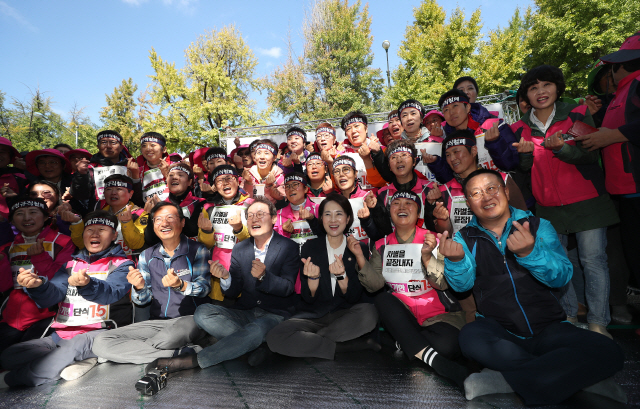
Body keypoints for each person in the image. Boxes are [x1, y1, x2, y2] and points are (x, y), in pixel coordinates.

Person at [441, 168, 625, 405]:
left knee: (610, 350)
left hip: (549, 328)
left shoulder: (538, 226)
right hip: (499, 332)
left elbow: (561, 276)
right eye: (475, 193)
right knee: (469, 338)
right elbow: (461, 286)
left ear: (505, 191)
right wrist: (455, 262)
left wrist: (530, 253)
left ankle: (506, 381)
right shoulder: (463, 238)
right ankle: (578, 378)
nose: (486, 197)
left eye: (491, 189)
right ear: (468, 203)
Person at [511, 65, 619, 337]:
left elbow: (589, 154)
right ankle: (568, 316)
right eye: (533, 88)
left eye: (546, 85)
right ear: (527, 95)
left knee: (593, 261)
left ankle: (598, 323)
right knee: (558, 263)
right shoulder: (520, 127)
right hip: (548, 208)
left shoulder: (578, 112)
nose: (540, 92)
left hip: (588, 202)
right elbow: (525, 169)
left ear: (558, 87)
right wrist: (524, 156)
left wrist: (562, 149)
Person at [0, 211, 133, 387]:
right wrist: (37, 286)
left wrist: (87, 284)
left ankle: (16, 379)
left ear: (114, 235)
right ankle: (69, 362)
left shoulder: (123, 265)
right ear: (83, 235)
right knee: (11, 354)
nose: (94, 234)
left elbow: (110, 293)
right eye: (89, 229)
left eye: (102, 229)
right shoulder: (71, 264)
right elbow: (52, 296)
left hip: (100, 333)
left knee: (75, 346)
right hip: (62, 335)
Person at [167, 197, 300, 371]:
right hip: (245, 312)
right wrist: (224, 277)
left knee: (257, 329)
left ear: (274, 219)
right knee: (203, 313)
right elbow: (233, 291)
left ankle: (195, 361)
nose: (255, 219)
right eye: (250, 215)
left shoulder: (288, 246)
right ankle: (257, 346)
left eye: (260, 214)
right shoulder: (241, 248)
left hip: (275, 315)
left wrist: (264, 277)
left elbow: (288, 287)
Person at [356, 191, 468, 388]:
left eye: (409, 204)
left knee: (448, 346)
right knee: (382, 300)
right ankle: (435, 361)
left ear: (419, 213)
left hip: (440, 315)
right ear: (389, 211)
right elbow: (374, 286)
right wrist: (359, 257)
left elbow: (442, 284)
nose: (401, 207)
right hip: (405, 315)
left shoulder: (434, 239)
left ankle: (404, 343)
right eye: (396, 203)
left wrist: (427, 257)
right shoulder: (382, 245)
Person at [92, 202, 212, 365]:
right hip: (157, 323)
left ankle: (128, 352)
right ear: (154, 225)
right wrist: (139, 287)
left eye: (171, 218)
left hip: (190, 320)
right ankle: (183, 354)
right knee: (100, 342)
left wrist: (181, 285)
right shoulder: (146, 255)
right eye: (158, 219)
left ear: (182, 223)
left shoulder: (197, 250)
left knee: (168, 338)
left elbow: (204, 288)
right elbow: (143, 300)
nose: (164, 223)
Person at [266, 193, 379, 359]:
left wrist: (342, 277)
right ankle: (343, 347)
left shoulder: (357, 248)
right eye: (327, 214)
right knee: (275, 335)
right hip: (315, 316)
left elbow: (354, 297)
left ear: (348, 219)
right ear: (321, 219)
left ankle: (310, 342)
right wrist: (312, 280)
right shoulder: (309, 248)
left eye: (339, 214)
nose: (333, 220)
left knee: (369, 313)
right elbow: (308, 298)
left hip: (344, 315)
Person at [575, 31, 640, 294]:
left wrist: (612, 136)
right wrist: (596, 115)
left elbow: (617, 132)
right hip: (624, 192)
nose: (609, 73)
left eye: (612, 67)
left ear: (622, 65)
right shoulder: (621, 95)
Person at [0, 197, 75, 354]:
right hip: (12, 317)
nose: (27, 218)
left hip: (49, 315)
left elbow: (62, 279)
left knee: (23, 357)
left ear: (46, 217)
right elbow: (5, 286)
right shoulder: (8, 247)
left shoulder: (63, 241)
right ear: (12, 220)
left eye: (33, 212)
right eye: (19, 213)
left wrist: (40, 257)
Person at [431, 89, 519, 178]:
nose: (451, 112)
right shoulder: (446, 139)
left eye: (455, 106)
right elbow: (448, 178)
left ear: (467, 107)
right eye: (446, 109)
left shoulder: (495, 125)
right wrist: (435, 163)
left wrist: (495, 142)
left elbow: (512, 163)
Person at [64, 174, 146, 259]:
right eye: (109, 189)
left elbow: (136, 244)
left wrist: (127, 223)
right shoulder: (98, 212)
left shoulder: (139, 214)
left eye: (119, 189)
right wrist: (76, 222)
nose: (113, 193)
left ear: (131, 194)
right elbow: (83, 244)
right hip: (101, 265)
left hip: (129, 264)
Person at [69, 130, 140, 213]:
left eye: (113, 142)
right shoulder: (89, 168)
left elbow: (138, 198)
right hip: (97, 218)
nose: (108, 146)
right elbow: (80, 196)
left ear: (121, 147)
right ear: (98, 146)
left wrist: (135, 178)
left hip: (128, 216)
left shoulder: (131, 167)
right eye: (104, 142)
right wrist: (81, 175)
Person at [274, 172, 319, 241]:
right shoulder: (278, 215)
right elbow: (275, 244)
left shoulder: (318, 209)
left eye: (295, 185)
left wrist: (313, 220)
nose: (291, 189)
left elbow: (326, 236)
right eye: (287, 186)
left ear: (305, 189)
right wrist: (284, 232)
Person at [242, 139, 285, 204]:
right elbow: (243, 200)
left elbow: (284, 202)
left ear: (274, 157)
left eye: (266, 153)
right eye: (259, 153)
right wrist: (248, 183)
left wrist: (269, 187)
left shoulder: (281, 178)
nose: (262, 157)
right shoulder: (248, 174)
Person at [134, 132, 173, 202]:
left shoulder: (175, 166)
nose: (148, 149)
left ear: (164, 149)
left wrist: (167, 175)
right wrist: (135, 179)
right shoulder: (138, 171)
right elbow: (136, 199)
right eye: (144, 146)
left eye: (152, 145)